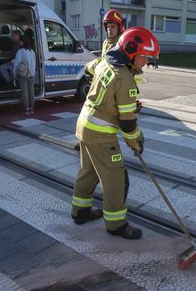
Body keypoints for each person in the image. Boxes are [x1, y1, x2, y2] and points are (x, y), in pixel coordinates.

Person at [71, 27, 160, 239]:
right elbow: (128, 126)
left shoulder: (106, 61)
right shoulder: (126, 80)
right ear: (132, 53)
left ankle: (80, 211)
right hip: (100, 133)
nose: (147, 63)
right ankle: (116, 224)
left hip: (84, 124)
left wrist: (110, 97)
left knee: (88, 171)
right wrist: (136, 142)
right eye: (146, 58)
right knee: (115, 177)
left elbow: (89, 68)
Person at [13, 35, 36, 115]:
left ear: (22, 42)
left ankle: (26, 109)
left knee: (25, 92)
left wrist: (14, 72)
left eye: (20, 41)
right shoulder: (32, 51)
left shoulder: (20, 51)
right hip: (32, 74)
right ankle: (31, 108)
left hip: (23, 74)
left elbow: (16, 63)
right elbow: (34, 63)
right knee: (31, 91)